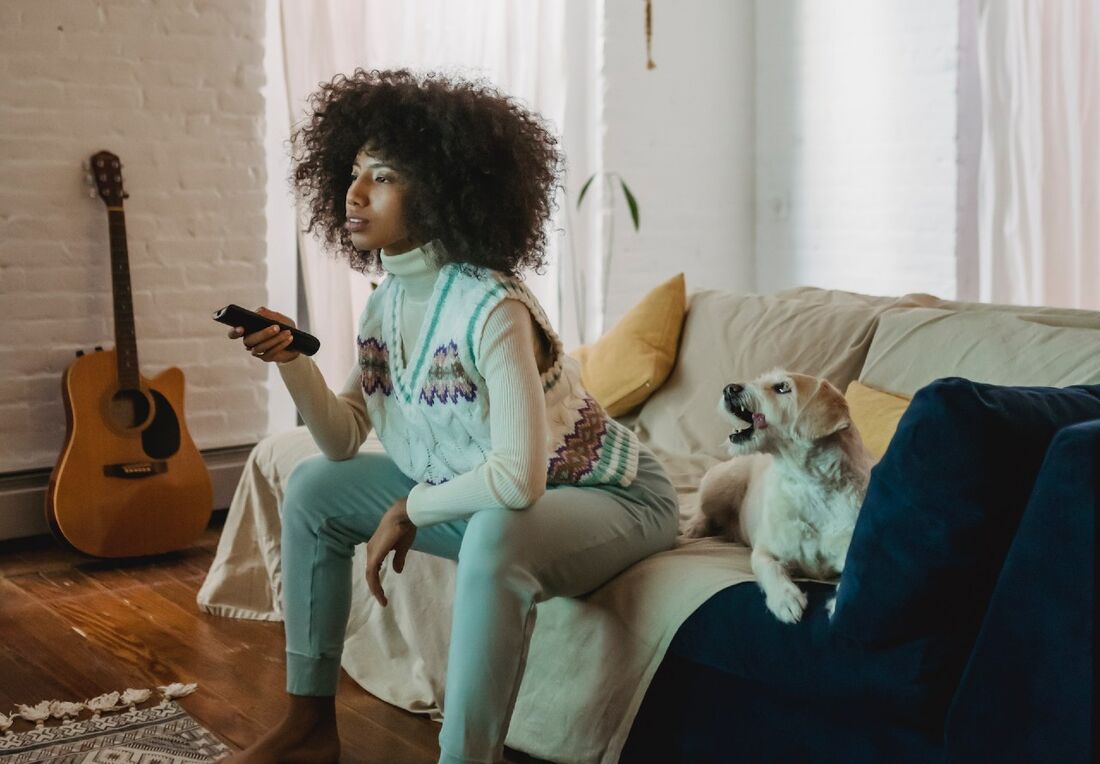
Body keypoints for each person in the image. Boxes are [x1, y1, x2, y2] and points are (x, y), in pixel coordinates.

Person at [222, 68, 680, 764]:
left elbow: (519, 481)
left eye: (384, 176)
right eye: (352, 172)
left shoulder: (490, 307)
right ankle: (309, 723)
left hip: (611, 498)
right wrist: (290, 358)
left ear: (438, 191)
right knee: (315, 487)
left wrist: (411, 507)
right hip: (509, 497)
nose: (354, 192)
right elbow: (343, 439)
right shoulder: (388, 301)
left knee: (496, 531)